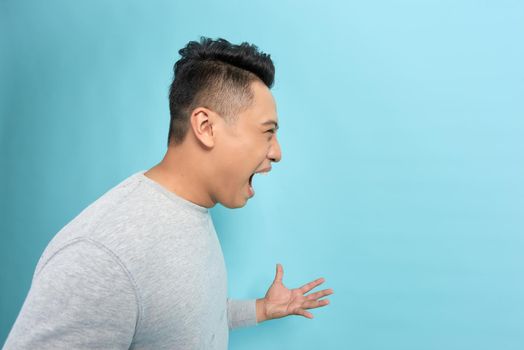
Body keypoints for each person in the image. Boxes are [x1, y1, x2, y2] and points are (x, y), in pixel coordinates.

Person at [3, 37, 334, 349]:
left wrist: (261, 309)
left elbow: (177, 317)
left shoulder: (192, 212)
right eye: (268, 133)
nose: (277, 152)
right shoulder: (102, 255)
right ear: (205, 127)